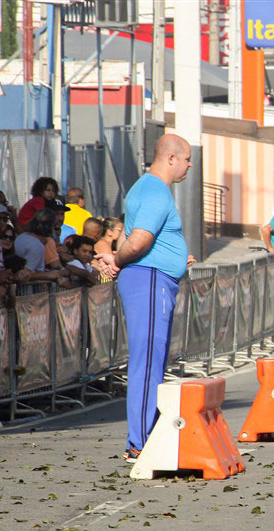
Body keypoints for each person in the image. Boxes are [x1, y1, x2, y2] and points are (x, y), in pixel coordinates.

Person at [96, 134, 195, 462]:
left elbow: (126, 236)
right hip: (150, 279)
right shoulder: (155, 191)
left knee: (150, 359)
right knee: (147, 361)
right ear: (171, 158)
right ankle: (140, 441)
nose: (189, 166)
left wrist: (116, 258)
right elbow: (138, 241)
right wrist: (118, 260)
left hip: (151, 277)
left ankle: (144, 435)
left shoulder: (143, 188)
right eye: (187, 159)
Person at [14, 209, 66, 282]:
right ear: (50, 228)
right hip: (29, 288)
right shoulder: (37, 246)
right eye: (54, 227)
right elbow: (24, 275)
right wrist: (49, 275)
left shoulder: (21, 237)